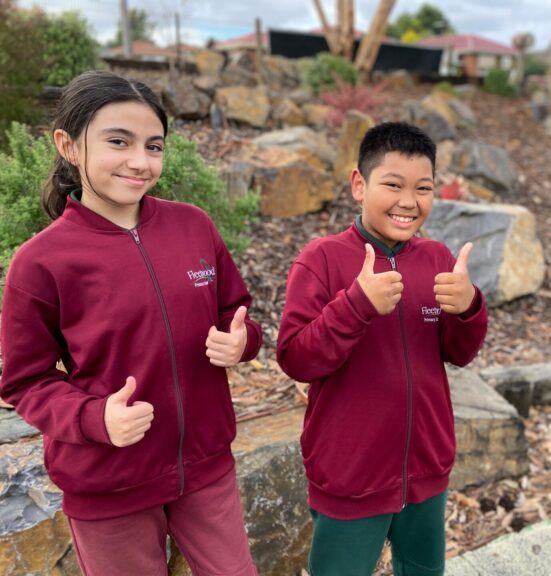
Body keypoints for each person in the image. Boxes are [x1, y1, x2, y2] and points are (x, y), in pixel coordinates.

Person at [0, 70, 261, 576]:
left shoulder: (193, 225)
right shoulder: (41, 262)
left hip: (206, 467)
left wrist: (242, 341)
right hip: (108, 485)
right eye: (118, 142)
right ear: (68, 146)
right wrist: (95, 418)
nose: (140, 161)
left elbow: (237, 312)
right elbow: (25, 381)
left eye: (153, 146)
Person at [277, 122, 488, 576]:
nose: (408, 201)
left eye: (423, 188)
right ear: (359, 184)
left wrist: (469, 307)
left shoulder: (437, 259)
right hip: (350, 474)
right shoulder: (321, 259)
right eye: (393, 185)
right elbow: (296, 358)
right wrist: (356, 305)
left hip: (426, 470)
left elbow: (460, 353)